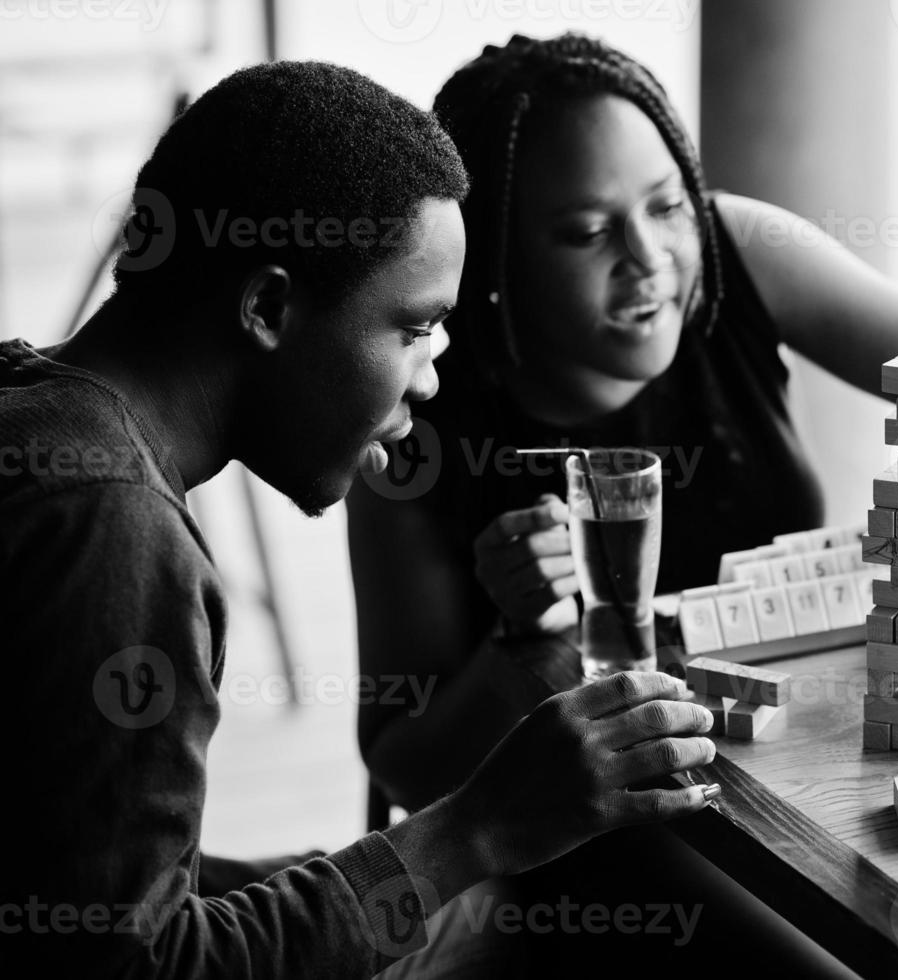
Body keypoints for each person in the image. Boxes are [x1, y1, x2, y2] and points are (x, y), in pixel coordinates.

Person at [1, 60, 722, 978]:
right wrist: (476, 828)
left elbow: (72, 888)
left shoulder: (33, 412)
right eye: (413, 328)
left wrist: (353, 878)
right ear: (266, 306)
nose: (429, 378)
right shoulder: (112, 528)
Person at [349, 29, 898, 818]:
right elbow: (407, 774)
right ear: (490, 253)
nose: (650, 257)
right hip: (586, 845)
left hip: (797, 776)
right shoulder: (414, 416)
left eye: (667, 206)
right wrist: (522, 641)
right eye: (589, 233)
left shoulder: (735, 253)